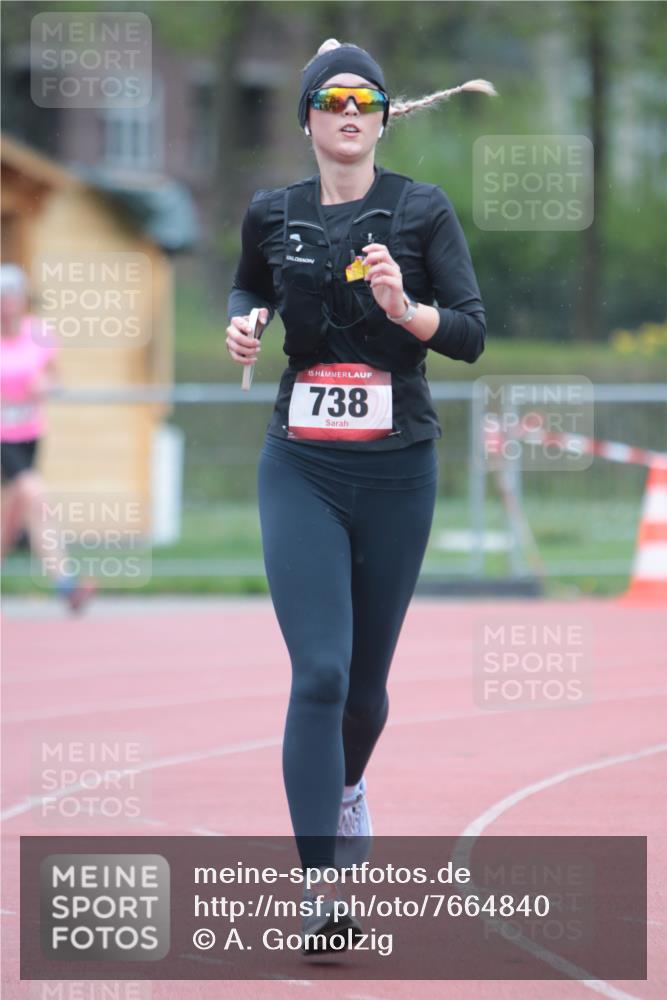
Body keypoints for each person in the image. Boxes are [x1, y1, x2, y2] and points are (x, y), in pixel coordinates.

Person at [226, 39, 494, 952]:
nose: (348, 110)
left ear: (383, 117)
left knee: (366, 690)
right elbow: (247, 282)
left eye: (365, 99)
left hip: (396, 464)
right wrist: (244, 319)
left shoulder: (420, 209)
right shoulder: (273, 211)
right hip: (300, 461)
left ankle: (346, 786)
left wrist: (403, 310)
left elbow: (467, 332)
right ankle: (320, 892)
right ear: (306, 116)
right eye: (330, 98)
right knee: (322, 675)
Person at [1, 263, 95, 613]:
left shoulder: (37, 333)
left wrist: (45, 386)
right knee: (37, 498)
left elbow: (57, 379)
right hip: (1, 439)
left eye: (11, 296)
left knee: (13, 514)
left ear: (22, 298)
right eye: (1, 298)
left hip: (28, 434)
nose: (6, 304)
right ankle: (66, 582)